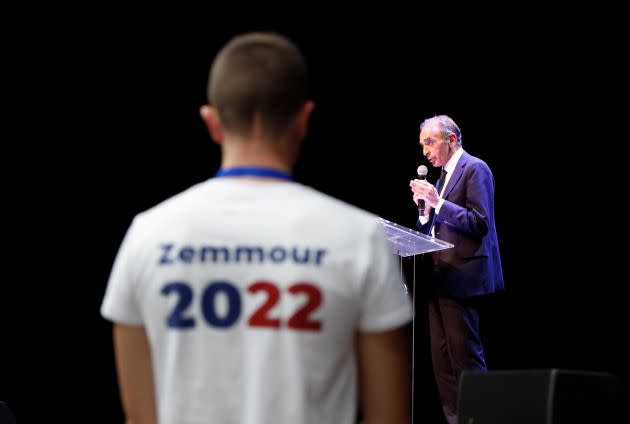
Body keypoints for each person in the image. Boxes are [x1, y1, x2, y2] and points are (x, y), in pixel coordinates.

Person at [101, 32, 412, 424]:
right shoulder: (360, 239)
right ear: (304, 119)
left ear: (211, 122)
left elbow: (140, 417)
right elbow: (390, 417)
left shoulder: (146, 235)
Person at [409, 115, 503, 424]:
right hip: (439, 279)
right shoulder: (442, 178)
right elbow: (436, 227)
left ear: (451, 140)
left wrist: (438, 204)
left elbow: (480, 223)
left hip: (462, 279)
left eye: (429, 142)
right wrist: (424, 212)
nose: (425, 152)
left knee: (465, 361)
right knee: (443, 364)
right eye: (422, 144)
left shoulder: (476, 168)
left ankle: (482, 418)